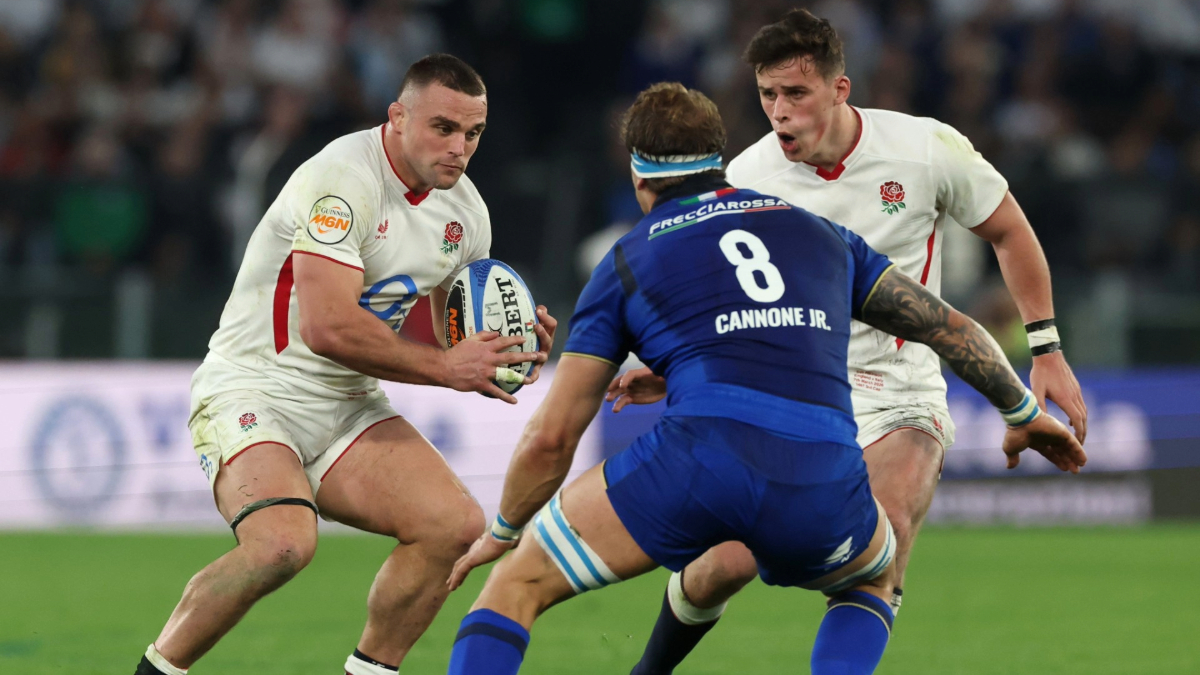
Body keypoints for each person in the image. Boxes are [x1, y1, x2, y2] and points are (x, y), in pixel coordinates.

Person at [443, 82, 1084, 675]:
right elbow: (949, 329)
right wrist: (1023, 412)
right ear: (719, 158)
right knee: (873, 578)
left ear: (637, 171)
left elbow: (553, 438)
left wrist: (502, 531)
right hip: (819, 473)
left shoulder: (627, 260)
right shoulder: (821, 235)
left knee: (517, 586)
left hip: (700, 463)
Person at [616, 12, 1090, 673]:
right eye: (767, 96)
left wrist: (1046, 348)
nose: (780, 112)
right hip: (794, 391)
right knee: (721, 564)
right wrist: (671, 371)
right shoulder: (747, 178)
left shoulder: (925, 150)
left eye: (796, 94)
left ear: (840, 90)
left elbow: (1009, 230)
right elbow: (730, 299)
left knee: (880, 546)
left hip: (902, 389)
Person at [133, 54, 556, 675]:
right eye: (444, 128)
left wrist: (506, 348)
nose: (460, 148)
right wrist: (446, 369)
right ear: (398, 116)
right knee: (281, 545)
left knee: (452, 525)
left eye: (473, 133)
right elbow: (326, 326)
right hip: (255, 385)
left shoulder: (465, 212)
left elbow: (453, 329)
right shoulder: (342, 179)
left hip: (346, 404)